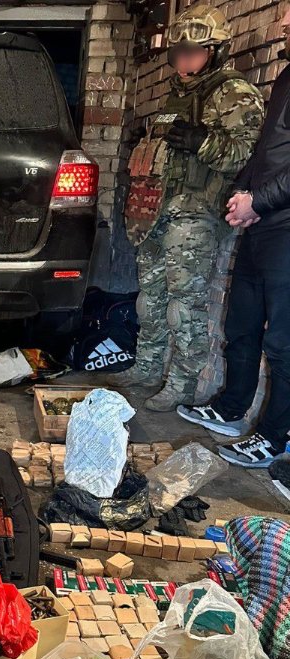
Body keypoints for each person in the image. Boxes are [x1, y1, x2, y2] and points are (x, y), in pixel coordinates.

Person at [119, 3, 264, 412]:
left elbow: (246, 156)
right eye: (178, 53)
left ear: (216, 52)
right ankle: (147, 367)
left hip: (195, 214)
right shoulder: (178, 93)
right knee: (151, 298)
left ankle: (181, 383)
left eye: (193, 52)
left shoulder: (234, 93)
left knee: (184, 306)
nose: (183, 61)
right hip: (156, 213)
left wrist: (203, 141)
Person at [178, 6, 290, 468]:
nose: (284, 23)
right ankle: (230, 409)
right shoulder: (286, 78)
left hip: (285, 229)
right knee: (241, 325)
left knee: (283, 345)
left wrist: (258, 201)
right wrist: (243, 192)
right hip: (262, 224)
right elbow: (265, 151)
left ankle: (273, 439)